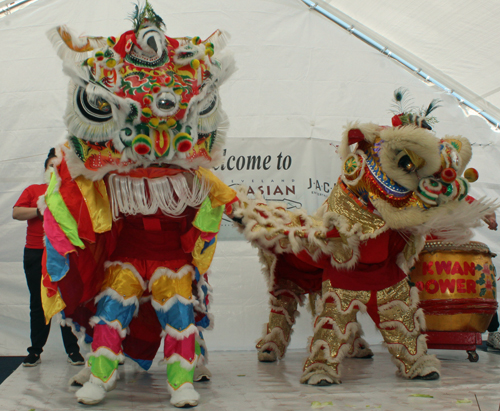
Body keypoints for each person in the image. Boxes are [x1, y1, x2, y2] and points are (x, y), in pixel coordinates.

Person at [13, 148, 85, 367]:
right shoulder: (34, 190)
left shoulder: (71, 192)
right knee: (38, 302)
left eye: (58, 167)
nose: (54, 170)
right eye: (50, 166)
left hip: (62, 254)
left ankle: (73, 350)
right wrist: (40, 209)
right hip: (36, 252)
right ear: (45, 169)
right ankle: (35, 351)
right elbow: (16, 213)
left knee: (67, 302)